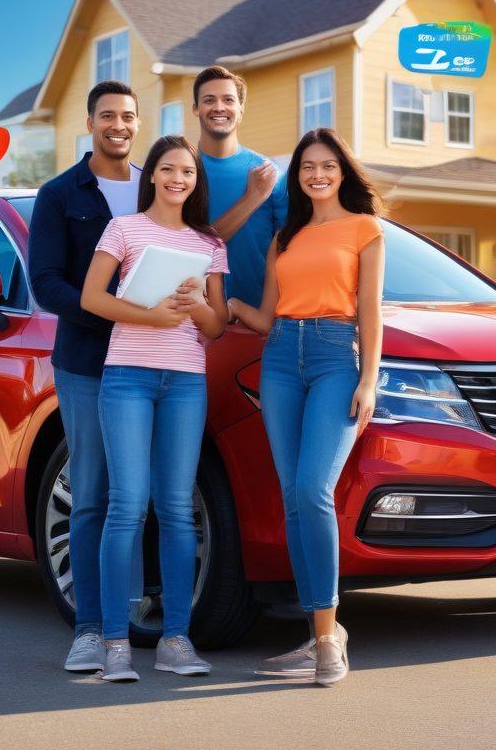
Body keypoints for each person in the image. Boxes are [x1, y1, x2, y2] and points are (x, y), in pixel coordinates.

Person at [229, 128, 384, 686]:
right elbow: (269, 318)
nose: (318, 174)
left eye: (328, 165)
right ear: (298, 177)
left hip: (335, 357)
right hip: (279, 362)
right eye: (307, 167)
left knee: (315, 490)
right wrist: (229, 303)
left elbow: (371, 313)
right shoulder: (285, 237)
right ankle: (319, 634)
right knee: (293, 495)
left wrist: (368, 381)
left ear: (343, 170)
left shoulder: (365, 229)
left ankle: (327, 638)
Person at [80, 135, 229, 682]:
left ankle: (176, 641)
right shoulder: (124, 229)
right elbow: (91, 298)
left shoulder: (209, 243)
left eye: (187, 172)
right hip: (127, 379)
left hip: (186, 382)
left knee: (174, 508)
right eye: (168, 169)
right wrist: (152, 316)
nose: (177, 179)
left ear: (196, 181)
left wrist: (195, 309)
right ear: (153, 176)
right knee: (126, 506)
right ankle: (115, 644)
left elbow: (216, 325)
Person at [28, 80, 142, 673]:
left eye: (127, 116)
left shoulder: (159, 186)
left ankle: (144, 620)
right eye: (107, 116)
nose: (118, 125)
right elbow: (44, 283)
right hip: (87, 363)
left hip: (156, 360)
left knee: (146, 496)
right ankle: (90, 629)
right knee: (92, 495)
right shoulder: (58, 194)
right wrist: (111, 311)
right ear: (90, 122)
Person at [193, 65, 288, 309]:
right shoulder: (179, 171)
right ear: (196, 109)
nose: (219, 107)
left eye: (228, 100)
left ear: (241, 109)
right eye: (208, 100)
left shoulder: (270, 173)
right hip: (191, 322)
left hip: (257, 321)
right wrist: (252, 198)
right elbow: (190, 248)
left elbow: (291, 251)